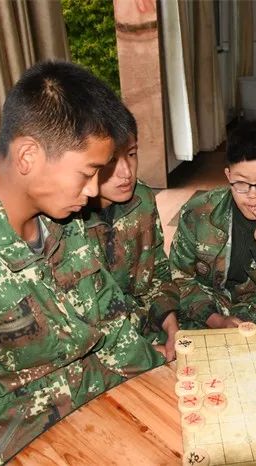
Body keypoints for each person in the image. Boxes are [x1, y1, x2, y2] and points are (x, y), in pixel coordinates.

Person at [0, 61, 166, 464]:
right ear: (28, 155)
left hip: (97, 413)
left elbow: (112, 324)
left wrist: (160, 381)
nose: (94, 190)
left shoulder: (62, 216)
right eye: (88, 172)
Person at [170, 120, 256, 329]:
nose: (252, 195)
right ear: (228, 176)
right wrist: (215, 320)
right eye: (241, 183)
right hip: (208, 308)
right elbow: (180, 279)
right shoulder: (198, 212)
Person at [84, 109, 180, 361]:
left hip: (145, 326)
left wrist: (172, 326)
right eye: (111, 160)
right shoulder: (66, 221)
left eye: (132, 154)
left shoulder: (142, 199)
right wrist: (143, 354)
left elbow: (158, 273)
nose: (126, 172)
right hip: (100, 350)